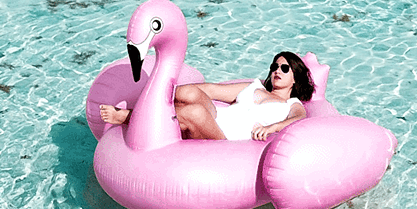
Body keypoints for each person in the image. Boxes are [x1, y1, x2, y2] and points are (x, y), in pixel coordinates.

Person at [99, 52, 315, 141]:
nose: (277, 70)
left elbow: (298, 119)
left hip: (227, 138)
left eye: (285, 68)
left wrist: (271, 128)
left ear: (295, 76)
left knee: (194, 112)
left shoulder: (291, 105)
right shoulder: (254, 87)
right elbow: (211, 90)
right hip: (215, 118)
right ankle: (147, 109)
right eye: (274, 66)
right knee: (187, 92)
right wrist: (165, 91)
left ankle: (129, 117)